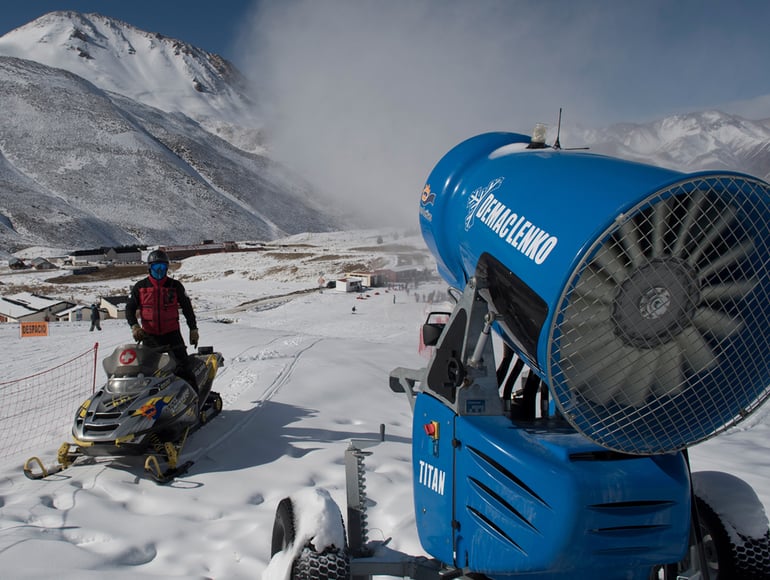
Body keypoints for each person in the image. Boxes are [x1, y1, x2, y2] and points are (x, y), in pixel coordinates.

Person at [125, 250, 200, 390]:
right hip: (149, 336)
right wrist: (134, 326)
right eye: (156, 267)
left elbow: (187, 309)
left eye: (163, 267)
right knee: (144, 373)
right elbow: (129, 309)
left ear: (167, 268)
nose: (159, 271)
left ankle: (195, 402)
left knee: (184, 369)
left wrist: (193, 329)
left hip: (172, 334)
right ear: (149, 268)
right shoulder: (140, 287)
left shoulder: (175, 286)